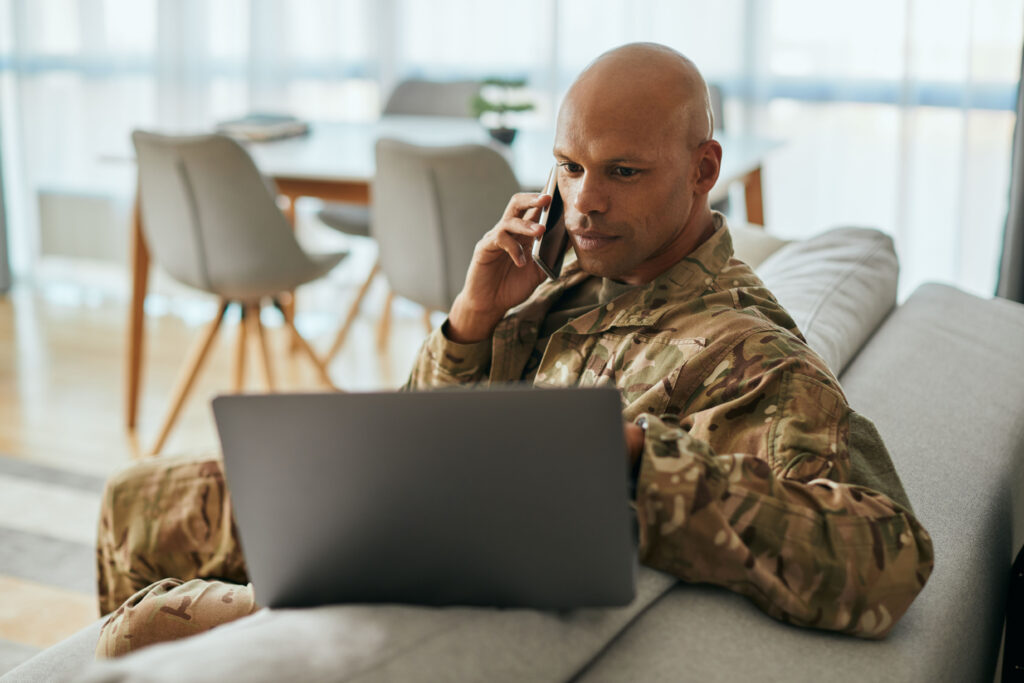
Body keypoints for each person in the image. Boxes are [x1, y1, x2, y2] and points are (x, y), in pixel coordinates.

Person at [94, 43, 933, 658]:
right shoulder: (569, 280)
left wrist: (638, 461)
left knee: (138, 617)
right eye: (569, 167)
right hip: (400, 501)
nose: (586, 202)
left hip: (422, 566)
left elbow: (887, 558)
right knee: (133, 499)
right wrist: (470, 325)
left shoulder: (750, 354)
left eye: (623, 173)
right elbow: (418, 430)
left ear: (702, 167)